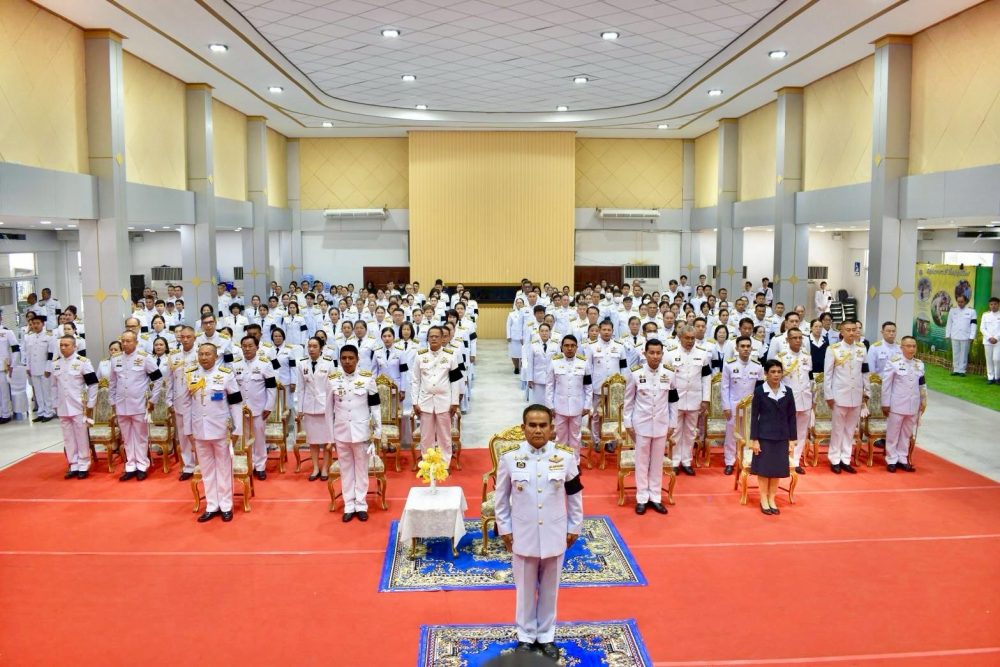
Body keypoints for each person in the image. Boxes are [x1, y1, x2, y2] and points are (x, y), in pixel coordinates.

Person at [495, 405, 583, 660]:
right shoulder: (510, 458)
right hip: (523, 533)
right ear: (523, 428)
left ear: (552, 428)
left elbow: (574, 495)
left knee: (550, 589)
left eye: (543, 425)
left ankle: (546, 635)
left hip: (555, 532)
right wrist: (505, 529)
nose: (537, 430)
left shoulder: (565, 457)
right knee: (524, 589)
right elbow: (501, 499)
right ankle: (525, 636)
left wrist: (574, 526)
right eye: (532, 425)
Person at [188, 342, 243, 522]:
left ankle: (226, 505)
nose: (204, 357)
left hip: (221, 430)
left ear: (216, 356)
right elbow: (187, 404)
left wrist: (238, 428)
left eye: (207, 354)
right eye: (201, 354)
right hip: (199, 429)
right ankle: (212, 505)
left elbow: (236, 402)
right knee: (207, 470)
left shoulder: (225, 375)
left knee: (224, 468)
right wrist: (188, 429)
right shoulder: (191, 374)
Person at [326, 344, 381, 522]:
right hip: (341, 432)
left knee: (361, 469)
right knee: (346, 469)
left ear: (358, 359)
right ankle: (349, 504)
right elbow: (328, 410)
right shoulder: (332, 379)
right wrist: (330, 437)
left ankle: (361, 504)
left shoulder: (367, 378)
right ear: (339, 360)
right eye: (344, 358)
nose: (347, 361)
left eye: (351, 358)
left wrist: (377, 431)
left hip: (361, 431)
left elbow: (375, 406)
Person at [623, 339, 678, 515]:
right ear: (645, 354)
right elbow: (628, 400)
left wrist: (673, 423)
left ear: (662, 354)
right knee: (641, 462)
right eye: (651, 353)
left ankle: (655, 497)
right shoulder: (635, 373)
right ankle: (641, 498)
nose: (655, 356)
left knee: (657, 462)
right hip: (642, 424)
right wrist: (627, 423)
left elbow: (673, 401)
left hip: (661, 423)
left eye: (658, 353)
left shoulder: (669, 373)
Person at [109, 331, 163, 480]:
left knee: (140, 437)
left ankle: (142, 465)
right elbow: (112, 382)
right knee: (126, 437)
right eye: (123, 341)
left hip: (139, 404)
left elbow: (158, 379)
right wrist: (112, 402)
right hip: (121, 404)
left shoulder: (144, 358)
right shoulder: (115, 359)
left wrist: (153, 400)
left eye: (129, 341)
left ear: (136, 342)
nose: (125, 344)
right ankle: (130, 465)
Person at [749, 359, 797, 515]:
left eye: (779, 372)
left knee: (776, 469)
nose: (776, 375)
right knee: (764, 470)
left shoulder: (788, 391)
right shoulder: (759, 391)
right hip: (764, 437)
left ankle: (772, 499)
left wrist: (792, 439)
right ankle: (763, 499)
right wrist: (754, 440)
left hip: (782, 436)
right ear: (766, 374)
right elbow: (754, 417)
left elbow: (792, 416)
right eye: (773, 372)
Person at [823, 320, 869, 474]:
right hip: (839, 395)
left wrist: (866, 392)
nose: (851, 332)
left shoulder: (861, 349)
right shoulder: (833, 349)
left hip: (856, 395)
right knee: (837, 430)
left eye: (854, 329)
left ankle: (845, 459)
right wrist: (829, 395)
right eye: (848, 330)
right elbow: (828, 375)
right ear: (841, 332)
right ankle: (835, 459)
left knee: (850, 430)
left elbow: (865, 372)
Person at [411, 326, 461, 467]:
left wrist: (455, 402)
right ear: (427, 338)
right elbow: (415, 380)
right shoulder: (420, 355)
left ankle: (444, 464)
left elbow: (455, 381)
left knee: (444, 435)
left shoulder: (450, 355)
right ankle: (427, 465)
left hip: (444, 401)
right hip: (425, 401)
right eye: (431, 336)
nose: (433, 338)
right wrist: (415, 402)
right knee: (426, 436)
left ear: (442, 338)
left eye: (436, 336)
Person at [50, 335, 99, 478]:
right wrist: (54, 403)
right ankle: (73, 464)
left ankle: (83, 464)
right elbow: (53, 386)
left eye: (66, 345)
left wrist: (90, 404)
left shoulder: (83, 362)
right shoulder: (55, 364)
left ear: (74, 346)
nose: (63, 348)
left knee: (81, 436)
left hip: (78, 406)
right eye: (61, 345)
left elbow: (93, 384)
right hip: (62, 406)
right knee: (68, 437)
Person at [666, 325, 711, 475]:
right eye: (687, 338)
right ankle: (674, 461)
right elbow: (666, 378)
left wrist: (706, 399)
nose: (690, 341)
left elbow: (706, 378)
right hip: (676, 400)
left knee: (691, 432)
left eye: (692, 338)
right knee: (675, 431)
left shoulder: (703, 354)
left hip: (695, 399)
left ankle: (686, 461)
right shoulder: (670, 353)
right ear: (680, 337)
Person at [232, 336, 277, 480]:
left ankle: (260, 466)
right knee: (244, 438)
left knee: (258, 438)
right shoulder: (235, 364)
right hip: (240, 409)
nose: (247, 349)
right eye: (244, 346)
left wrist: (269, 407)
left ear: (257, 347)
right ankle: (249, 464)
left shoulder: (265, 364)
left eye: (250, 346)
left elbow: (271, 387)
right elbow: (232, 387)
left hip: (258, 409)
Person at [880, 336, 926, 472]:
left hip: (913, 404)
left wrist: (923, 400)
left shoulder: (919, 364)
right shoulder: (894, 362)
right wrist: (885, 403)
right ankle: (891, 459)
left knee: (906, 433)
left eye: (914, 346)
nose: (912, 349)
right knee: (893, 433)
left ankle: (902, 458)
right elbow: (886, 384)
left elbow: (922, 384)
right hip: (897, 404)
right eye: (908, 346)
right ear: (902, 348)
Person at [544, 335, 592, 463]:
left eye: (572, 346)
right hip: (559, 407)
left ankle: (575, 463)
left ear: (577, 347)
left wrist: (587, 405)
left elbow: (588, 386)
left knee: (576, 437)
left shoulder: (584, 363)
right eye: (566, 345)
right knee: (560, 437)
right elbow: (549, 386)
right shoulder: (554, 362)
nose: (569, 348)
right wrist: (550, 406)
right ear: (561, 347)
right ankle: (560, 462)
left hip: (577, 407)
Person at [721, 336, 764, 476]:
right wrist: (726, 406)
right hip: (734, 405)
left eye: (748, 346)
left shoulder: (757, 366)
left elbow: (760, 389)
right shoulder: (729, 365)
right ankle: (729, 462)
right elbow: (724, 387)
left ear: (751, 348)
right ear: (737, 348)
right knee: (731, 435)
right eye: (742, 346)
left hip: (751, 407)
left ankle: (746, 460)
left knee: (749, 434)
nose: (745, 349)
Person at [297, 336, 336, 481]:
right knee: (312, 440)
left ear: (321, 348)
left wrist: (334, 407)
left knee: (326, 440)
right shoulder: (302, 363)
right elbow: (300, 388)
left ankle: (325, 467)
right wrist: (300, 408)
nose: (311, 349)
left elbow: (333, 387)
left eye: (315, 346)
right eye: (309, 346)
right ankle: (315, 468)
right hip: (309, 406)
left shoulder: (328, 363)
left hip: (325, 406)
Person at [777, 329, 813, 474]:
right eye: (794, 338)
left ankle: (795, 460)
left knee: (802, 431)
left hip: (805, 398)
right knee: (786, 431)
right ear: (787, 340)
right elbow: (777, 381)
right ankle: (783, 459)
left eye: (800, 338)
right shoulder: (781, 357)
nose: (798, 340)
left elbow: (808, 377)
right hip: (789, 400)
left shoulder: (806, 356)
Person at [168, 326, 199, 480]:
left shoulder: (201, 353)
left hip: (197, 401)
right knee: (183, 435)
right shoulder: (174, 356)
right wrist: (169, 401)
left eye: (188, 337)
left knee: (198, 434)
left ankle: (202, 464)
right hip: (179, 400)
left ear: (194, 338)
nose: (185, 340)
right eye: (183, 337)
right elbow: (169, 380)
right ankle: (188, 466)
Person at [24, 316, 55, 422]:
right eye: (33, 323)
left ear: (43, 324)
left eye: (38, 323)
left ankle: (49, 412)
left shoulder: (49, 336)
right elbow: (28, 354)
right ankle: (41, 412)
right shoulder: (29, 337)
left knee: (46, 391)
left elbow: (51, 354)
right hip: (34, 368)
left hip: (45, 368)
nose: (35, 325)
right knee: (38, 392)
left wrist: (48, 368)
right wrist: (28, 367)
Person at [523, 323, 555, 405]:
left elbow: (558, 363)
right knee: (537, 403)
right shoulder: (533, 345)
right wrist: (530, 379)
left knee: (549, 403)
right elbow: (530, 363)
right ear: (539, 332)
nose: (544, 333)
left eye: (546, 331)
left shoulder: (555, 345)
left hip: (551, 378)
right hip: (537, 379)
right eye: (542, 331)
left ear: (550, 332)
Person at [945, 294, 977, 376]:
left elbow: (973, 325)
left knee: (964, 354)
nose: (960, 303)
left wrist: (972, 336)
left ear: (965, 301)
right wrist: (947, 334)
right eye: (958, 302)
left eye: (962, 302)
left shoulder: (972, 311)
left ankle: (962, 370)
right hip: (954, 335)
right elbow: (949, 323)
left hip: (965, 336)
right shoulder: (952, 310)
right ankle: (955, 369)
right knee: (955, 353)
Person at [1, 316, 21, 424]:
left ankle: (6, 414)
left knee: (4, 392)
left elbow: (16, 349)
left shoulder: (7, 332)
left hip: (3, 367)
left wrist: (13, 365)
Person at [983, 297, 1000, 384]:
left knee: (997, 359)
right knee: (989, 359)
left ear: (998, 305)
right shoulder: (985, 315)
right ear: (989, 305)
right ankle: (990, 377)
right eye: (991, 304)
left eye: (995, 304)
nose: (993, 306)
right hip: (987, 341)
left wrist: (996, 338)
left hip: (998, 341)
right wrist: (989, 337)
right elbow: (982, 328)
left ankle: (997, 377)